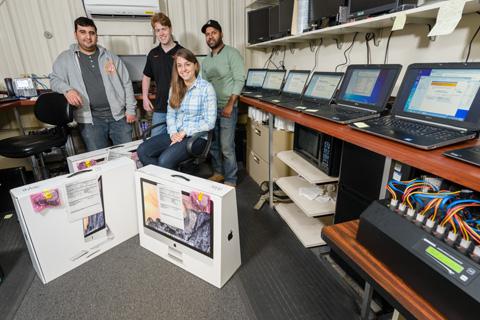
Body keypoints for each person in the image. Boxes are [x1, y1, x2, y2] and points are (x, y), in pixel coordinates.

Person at [50, 17, 136, 152]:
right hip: (90, 120)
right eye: (83, 32)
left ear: (96, 35)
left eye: (91, 33)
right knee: (99, 159)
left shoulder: (110, 57)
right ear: (75, 34)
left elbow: (126, 83)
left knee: (127, 155)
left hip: (118, 116)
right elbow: (54, 80)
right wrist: (67, 90)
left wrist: (130, 110)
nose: (88, 37)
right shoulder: (65, 58)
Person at [136, 49, 217, 169]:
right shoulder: (174, 88)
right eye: (179, 65)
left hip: (196, 137)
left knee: (165, 160)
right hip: (176, 133)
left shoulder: (206, 88)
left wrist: (184, 132)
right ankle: (166, 181)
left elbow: (209, 122)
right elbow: (170, 115)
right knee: (142, 150)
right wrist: (173, 133)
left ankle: (166, 182)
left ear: (195, 65)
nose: (183, 69)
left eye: (187, 64)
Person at [201, 20, 245, 187]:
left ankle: (231, 179)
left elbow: (239, 78)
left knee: (226, 146)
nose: (210, 36)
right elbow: (204, 86)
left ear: (221, 34)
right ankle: (219, 173)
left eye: (213, 32)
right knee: (213, 144)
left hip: (228, 107)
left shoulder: (232, 54)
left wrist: (230, 103)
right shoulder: (206, 61)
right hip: (211, 109)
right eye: (207, 34)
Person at [142, 12, 183, 137]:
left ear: (170, 29)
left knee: (177, 142)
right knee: (155, 140)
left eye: (163, 29)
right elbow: (146, 76)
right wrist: (144, 97)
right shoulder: (153, 54)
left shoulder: (182, 52)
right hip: (160, 107)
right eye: (157, 30)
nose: (161, 33)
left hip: (179, 107)